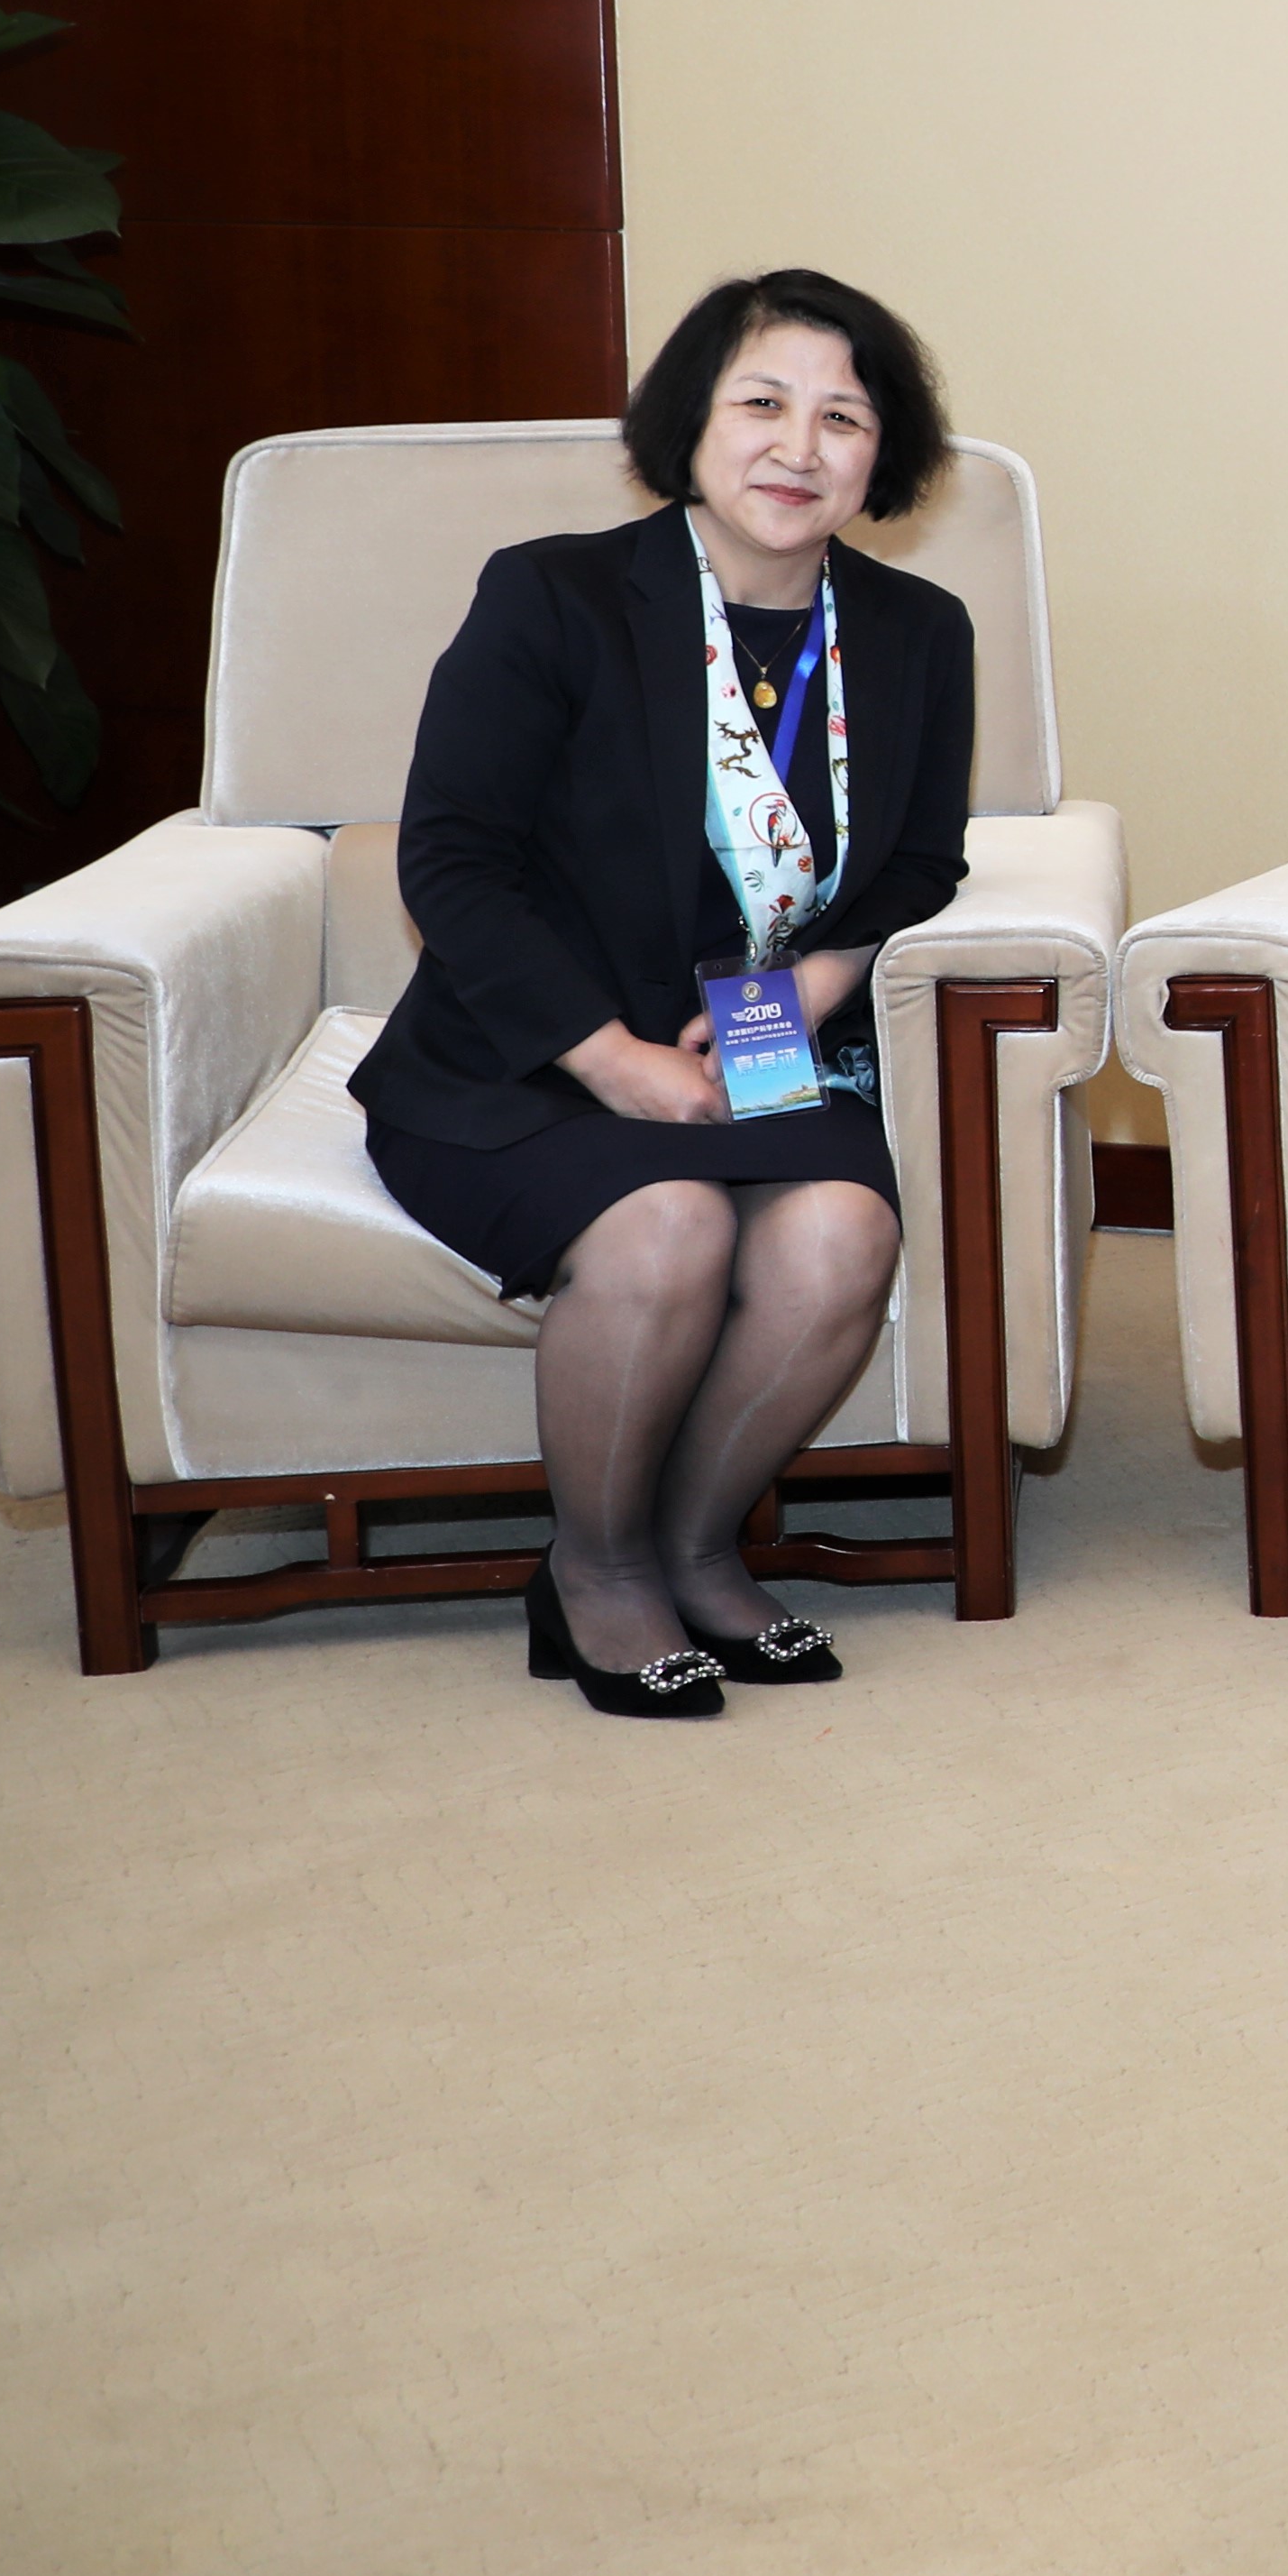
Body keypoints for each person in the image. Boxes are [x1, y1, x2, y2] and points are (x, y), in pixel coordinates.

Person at [357, 271, 982, 1718]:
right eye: (762, 403)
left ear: (881, 456)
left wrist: (819, 977)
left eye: (843, 417)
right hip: (525, 1060)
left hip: (761, 1047)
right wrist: (606, 1056)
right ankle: (594, 1573)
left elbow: (922, 863)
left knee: (839, 1237)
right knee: (666, 1224)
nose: (799, 447)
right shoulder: (554, 596)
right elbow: (451, 860)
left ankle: (697, 1549)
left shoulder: (918, 631)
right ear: (690, 422)